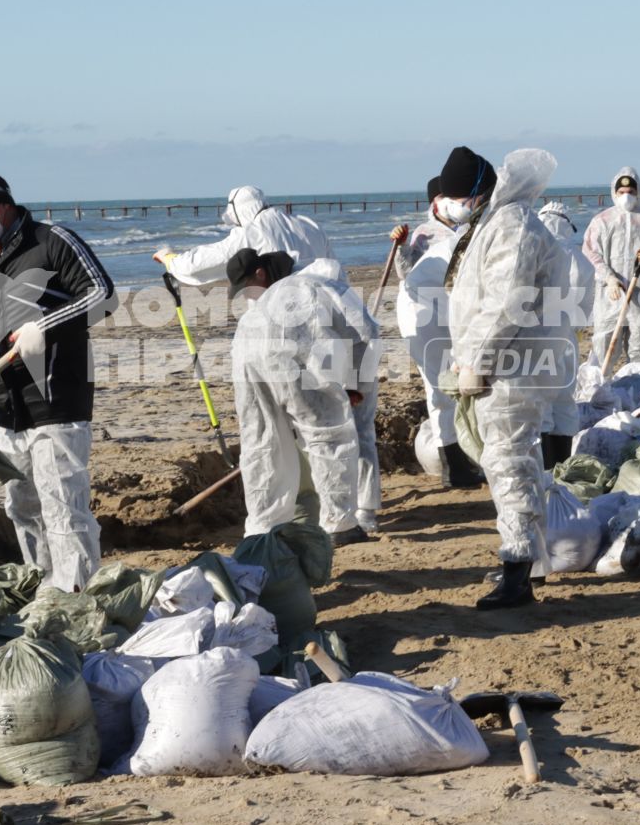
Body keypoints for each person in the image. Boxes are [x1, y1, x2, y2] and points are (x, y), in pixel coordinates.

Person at [0, 171, 116, 591]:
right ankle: (45, 591)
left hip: (57, 399)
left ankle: (79, 597)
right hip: (7, 409)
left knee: (63, 505)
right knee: (23, 507)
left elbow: (102, 295)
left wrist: (44, 327)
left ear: (4, 205)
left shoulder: (51, 240)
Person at [445, 147, 570, 610]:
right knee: (517, 463)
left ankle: (517, 572)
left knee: (508, 464)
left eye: (459, 195)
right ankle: (528, 563)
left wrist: (478, 360)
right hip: (506, 366)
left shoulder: (512, 225)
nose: (453, 204)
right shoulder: (494, 223)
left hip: (510, 370)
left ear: (479, 190)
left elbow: (505, 301)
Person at [228, 248, 380, 547]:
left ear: (262, 274)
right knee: (327, 434)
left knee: (261, 441)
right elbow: (367, 334)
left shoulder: (268, 300)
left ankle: (262, 528)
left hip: (246, 351)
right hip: (291, 358)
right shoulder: (326, 285)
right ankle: (340, 524)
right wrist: (356, 385)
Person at [393, 171, 482, 488]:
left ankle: (466, 456)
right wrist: (403, 247)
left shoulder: (467, 229)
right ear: (437, 201)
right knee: (441, 387)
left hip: (453, 313)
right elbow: (406, 273)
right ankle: (452, 465)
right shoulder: (424, 234)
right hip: (425, 311)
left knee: (462, 385)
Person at [584, 167, 640, 368]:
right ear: (614, 193)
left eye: (631, 192)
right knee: (605, 342)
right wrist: (608, 278)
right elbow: (590, 253)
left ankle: (638, 384)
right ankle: (602, 386)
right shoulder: (601, 221)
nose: (626, 196)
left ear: (639, 192)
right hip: (610, 294)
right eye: (622, 192)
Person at [153, 186, 332, 286]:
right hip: (323, 309)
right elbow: (334, 271)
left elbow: (201, 262)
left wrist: (169, 258)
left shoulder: (252, 233)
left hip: (283, 312)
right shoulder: (309, 224)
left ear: (239, 212)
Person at [537, 200, 592, 469]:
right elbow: (586, 307)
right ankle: (564, 465)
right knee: (564, 400)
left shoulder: (535, 252)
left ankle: (546, 467)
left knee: (542, 402)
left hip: (537, 336)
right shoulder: (580, 259)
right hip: (567, 336)